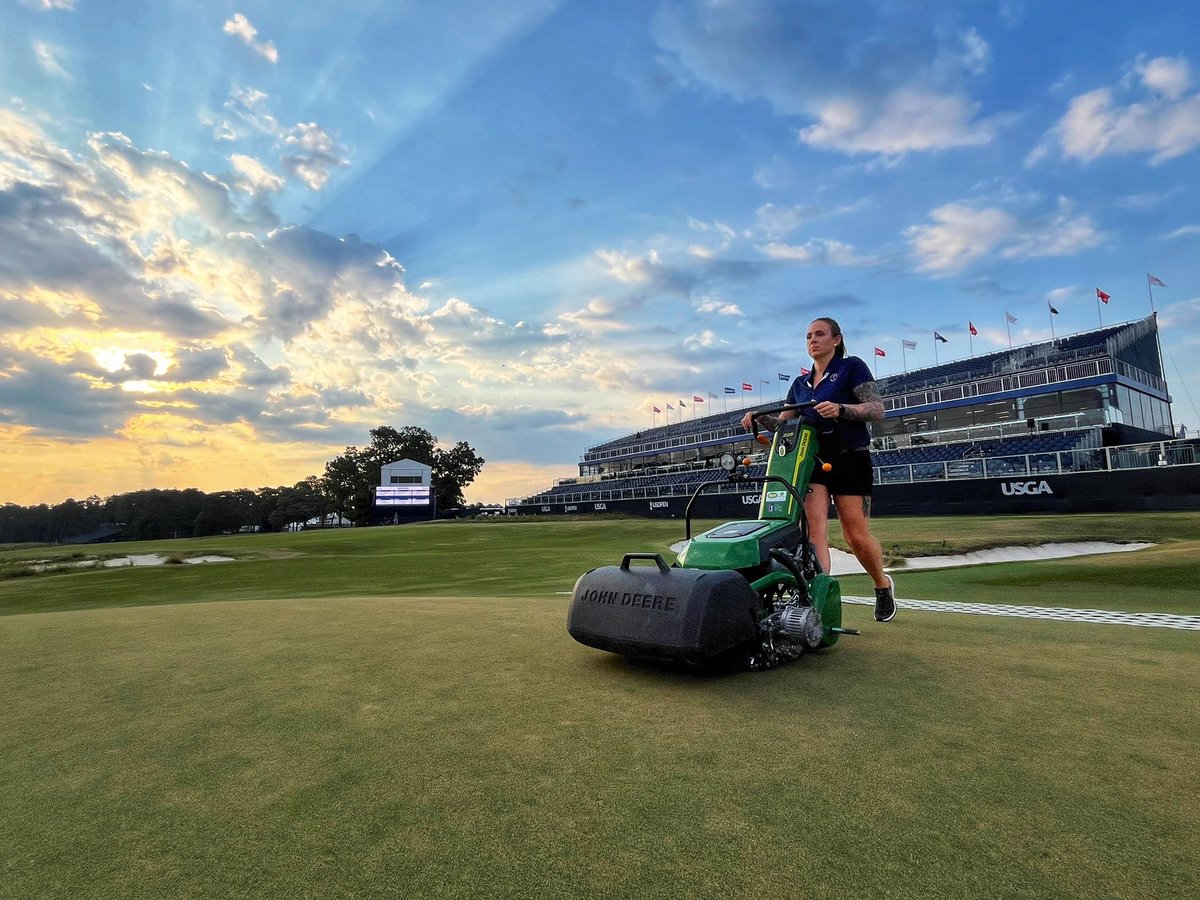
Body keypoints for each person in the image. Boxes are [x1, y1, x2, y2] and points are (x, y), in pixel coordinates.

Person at [741, 317, 896, 622]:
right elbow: (784, 426)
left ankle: (881, 584)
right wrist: (758, 418)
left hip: (850, 457)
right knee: (814, 534)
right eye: (809, 336)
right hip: (811, 461)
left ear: (836, 339)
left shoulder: (851, 367)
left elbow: (877, 409)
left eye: (820, 334)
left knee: (855, 536)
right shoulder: (799, 385)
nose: (813, 340)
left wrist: (842, 409)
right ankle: (816, 603)